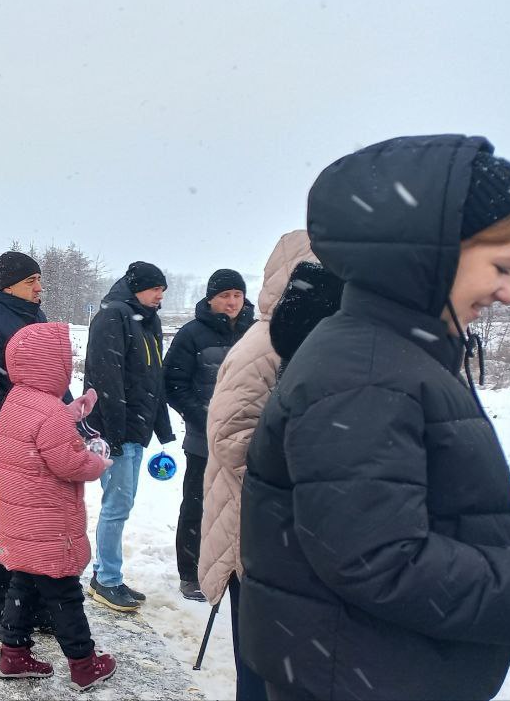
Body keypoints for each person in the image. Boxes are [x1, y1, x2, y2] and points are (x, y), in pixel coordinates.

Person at [241, 135, 510, 700]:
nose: (509, 292)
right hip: (363, 679)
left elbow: (426, 505)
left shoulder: (399, 354)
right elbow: (380, 561)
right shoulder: (365, 374)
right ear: (430, 254)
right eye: (503, 267)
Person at [197, 229, 325, 701]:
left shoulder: (312, 339)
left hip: (284, 535)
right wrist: (303, 483)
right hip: (256, 534)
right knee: (264, 667)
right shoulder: (267, 343)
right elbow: (232, 437)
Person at [0, 322, 118, 692]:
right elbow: (69, 463)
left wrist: (72, 412)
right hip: (48, 520)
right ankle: (84, 663)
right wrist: (98, 463)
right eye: (66, 358)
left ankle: (13, 653)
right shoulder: (51, 413)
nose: (69, 364)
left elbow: (41, 432)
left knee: (25, 581)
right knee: (64, 591)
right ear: (51, 364)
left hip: (22, 518)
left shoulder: (17, 399)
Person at [0, 250, 57, 638]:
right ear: (8, 286)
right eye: (30, 281)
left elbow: (53, 378)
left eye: (39, 280)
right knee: (3, 526)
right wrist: (31, 419)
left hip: (41, 445)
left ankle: (32, 607)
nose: (39, 287)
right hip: (3, 445)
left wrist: (69, 417)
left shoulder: (37, 319)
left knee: (37, 525)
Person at [83, 262, 175, 612]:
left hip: (136, 429)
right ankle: (107, 580)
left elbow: (154, 380)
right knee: (116, 506)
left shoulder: (148, 321)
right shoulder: (114, 317)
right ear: (136, 288)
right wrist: (114, 434)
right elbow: (106, 378)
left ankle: (106, 574)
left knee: (121, 504)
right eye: (155, 289)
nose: (160, 295)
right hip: (115, 432)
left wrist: (162, 428)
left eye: (163, 290)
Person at [163, 269, 254, 601]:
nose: (232, 302)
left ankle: (237, 571)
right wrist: (207, 419)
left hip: (248, 441)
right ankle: (191, 573)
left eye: (237, 295)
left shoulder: (257, 332)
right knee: (197, 507)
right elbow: (174, 384)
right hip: (204, 440)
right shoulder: (192, 334)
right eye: (224, 295)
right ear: (211, 299)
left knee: (243, 510)